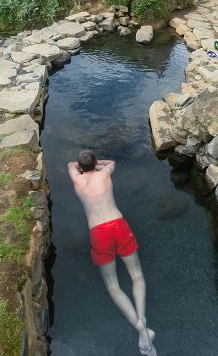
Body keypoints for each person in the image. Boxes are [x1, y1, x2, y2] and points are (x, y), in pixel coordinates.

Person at [68, 150, 156, 356]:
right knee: (137, 275)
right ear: (96, 163)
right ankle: (142, 319)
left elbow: (70, 165)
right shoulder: (105, 173)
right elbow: (112, 161)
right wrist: (99, 164)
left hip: (98, 231)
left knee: (113, 286)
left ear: (81, 167)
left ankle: (141, 330)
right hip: (118, 223)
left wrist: (82, 166)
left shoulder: (77, 180)